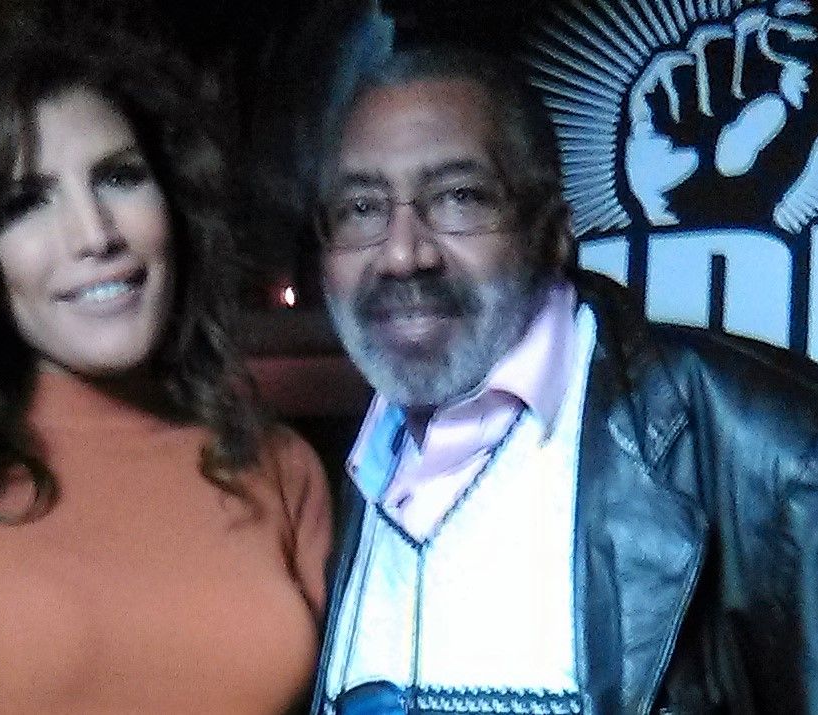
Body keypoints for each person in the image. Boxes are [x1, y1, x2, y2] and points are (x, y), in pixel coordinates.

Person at [0, 16, 331, 715]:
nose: (95, 235)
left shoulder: (280, 465)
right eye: (25, 203)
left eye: (119, 177)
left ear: (173, 205)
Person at [305, 35, 818, 715]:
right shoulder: (341, 470)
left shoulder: (774, 453)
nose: (402, 255)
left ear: (551, 232)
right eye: (361, 208)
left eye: (458, 197)